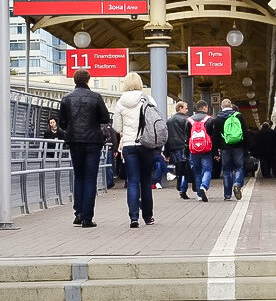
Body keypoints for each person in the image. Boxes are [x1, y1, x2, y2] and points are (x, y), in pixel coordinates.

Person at [58, 69, 111, 228]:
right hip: (93, 142)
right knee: (90, 178)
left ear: (75, 81)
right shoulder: (95, 97)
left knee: (79, 176)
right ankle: (87, 218)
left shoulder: (66, 98)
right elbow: (105, 118)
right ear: (88, 80)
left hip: (74, 141)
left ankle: (78, 214)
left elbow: (62, 123)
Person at [112, 72, 158, 227]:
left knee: (132, 181)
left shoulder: (120, 102)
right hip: (146, 144)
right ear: (139, 83)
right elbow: (155, 121)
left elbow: (117, 127)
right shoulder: (148, 99)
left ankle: (133, 218)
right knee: (146, 181)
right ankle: (148, 217)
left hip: (129, 145)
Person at [209, 98, 248, 201]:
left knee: (226, 170)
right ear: (231, 105)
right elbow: (245, 132)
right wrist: (246, 147)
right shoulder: (239, 115)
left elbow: (215, 136)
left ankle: (227, 195)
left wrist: (215, 151)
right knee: (239, 168)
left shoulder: (217, 118)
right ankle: (237, 184)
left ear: (221, 106)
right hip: (238, 146)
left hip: (225, 148)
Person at [187, 100, 214, 202]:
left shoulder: (189, 120)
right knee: (207, 170)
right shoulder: (209, 119)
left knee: (197, 171)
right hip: (206, 149)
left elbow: (187, 137)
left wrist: (187, 151)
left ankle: (198, 195)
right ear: (204, 108)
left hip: (194, 149)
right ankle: (204, 186)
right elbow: (212, 135)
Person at [165, 101, 192, 199]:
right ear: (180, 108)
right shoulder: (186, 120)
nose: (187, 110)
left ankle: (180, 185)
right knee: (185, 169)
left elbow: (166, 137)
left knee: (179, 168)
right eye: (185, 108)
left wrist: (166, 152)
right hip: (183, 146)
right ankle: (182, 188)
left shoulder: (169, 120)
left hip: (173, 147)